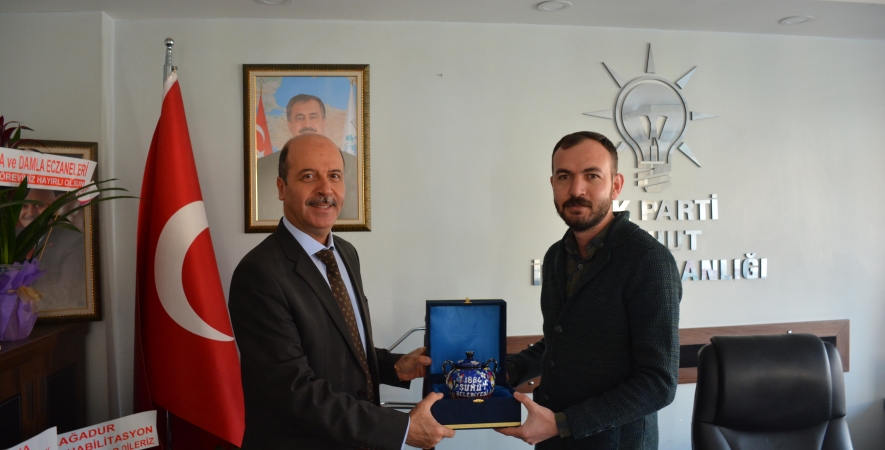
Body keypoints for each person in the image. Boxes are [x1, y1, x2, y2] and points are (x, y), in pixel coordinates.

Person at [229, 134, 455, 449]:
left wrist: (393, 366)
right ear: (281, 188)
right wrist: (401, 429)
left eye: (334, 176)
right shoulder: (259, 274)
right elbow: (294, 390)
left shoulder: (345, 253)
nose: (326, 189)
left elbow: (341, 347)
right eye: (309, 176)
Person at [496, 131, 681, 449]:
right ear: (552, 184)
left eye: (592, 175)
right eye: (564, 176)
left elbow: (658, 383)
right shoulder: (556, 256)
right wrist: (507, 371)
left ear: (616, 185)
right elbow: (561, 342)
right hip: (554, 440)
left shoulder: (648, 260)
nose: (576, 190)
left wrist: (564, 424)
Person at [256, 94, 359, 221]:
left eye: (313, 117)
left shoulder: (355, 165)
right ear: (289, 124)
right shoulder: (260, 167)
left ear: (324, 122)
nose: (307, 124)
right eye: (308, 176)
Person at [19, 189, 86, 311]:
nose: (30, 212)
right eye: (24, 206)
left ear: (55, 209)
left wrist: (18, 303)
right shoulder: (11, 240)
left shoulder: (73, 241)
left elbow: (67, 292)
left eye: (39, 205)